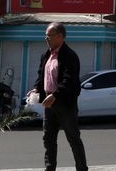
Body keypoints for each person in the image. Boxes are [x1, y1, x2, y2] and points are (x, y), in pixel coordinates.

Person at [29, 22, 87, 171]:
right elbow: (41, 76)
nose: (46, 39)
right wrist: (36, 89)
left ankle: (82, 168)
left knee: (73, 139)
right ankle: (50, 168)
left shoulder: (70, 56)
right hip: (49, 104)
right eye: (46, 36)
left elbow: (69, 81)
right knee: (48, 139)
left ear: (60, 37)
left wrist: (55, 95)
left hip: (65, 104)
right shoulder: (46, 55)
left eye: (49, 36)